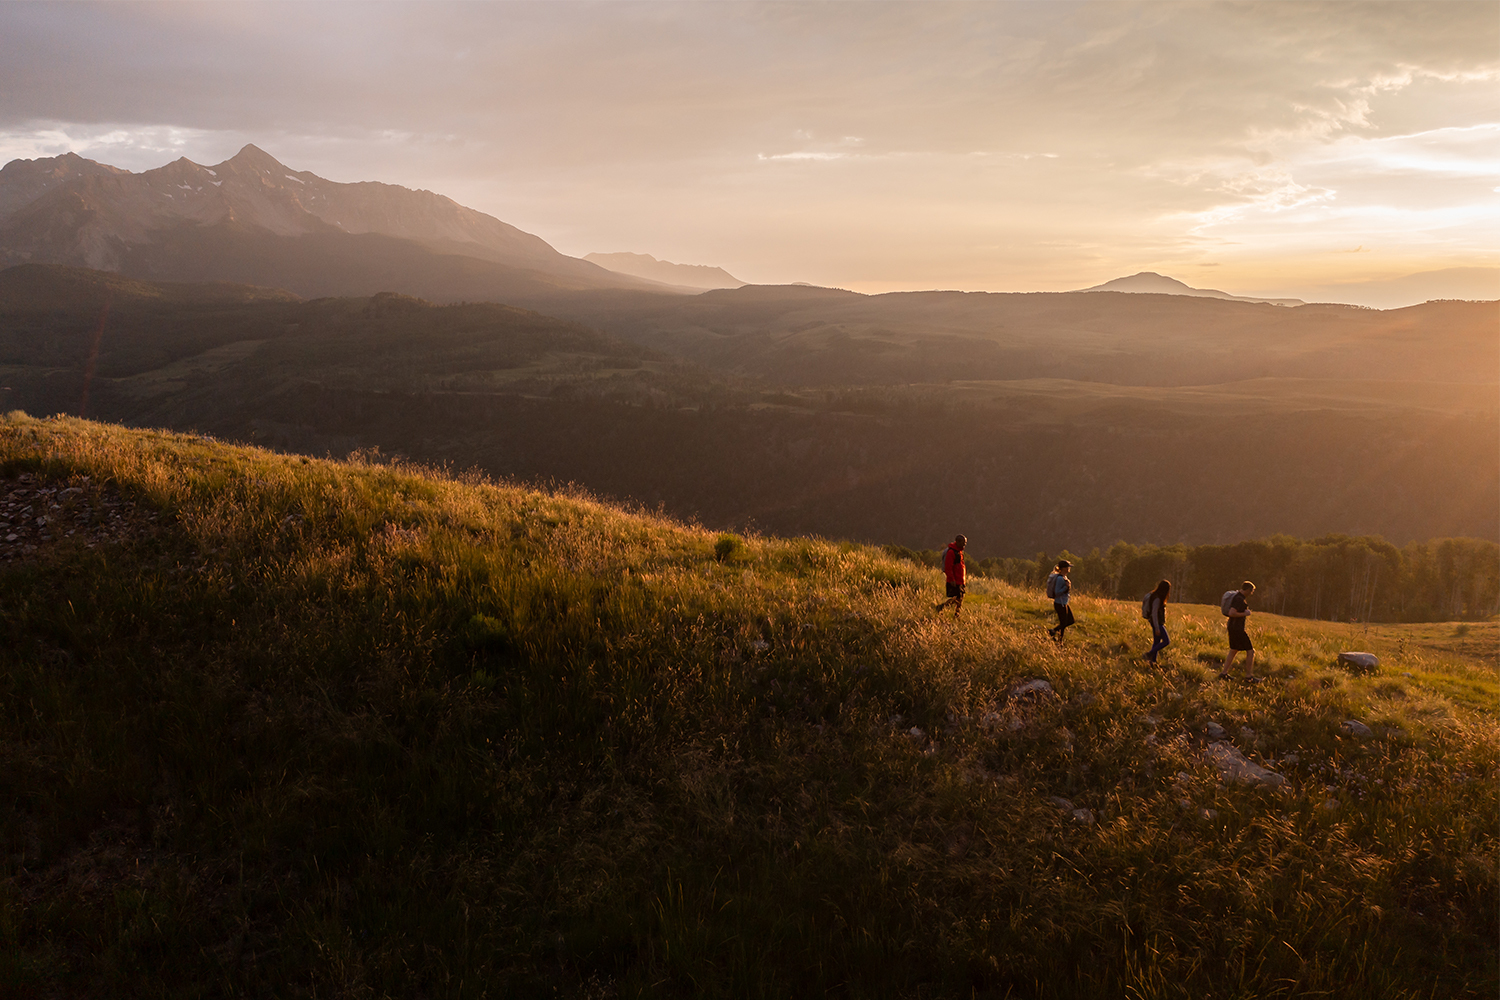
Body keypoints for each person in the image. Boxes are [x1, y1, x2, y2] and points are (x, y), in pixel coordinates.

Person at [1221, 581, 1257, 681]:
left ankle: (1224, 673)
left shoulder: (1236, 596)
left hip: (1232, 627)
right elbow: (1232, 612)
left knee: (1234, 650)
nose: (1251, 593)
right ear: (1248, 590)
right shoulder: (1239, 599)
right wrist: (1245, 613)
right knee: (1250, 651)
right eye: (1252, 591)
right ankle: (1249, 676)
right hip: (1237, 629)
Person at [936, 534, 967, 616]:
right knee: (956, 598)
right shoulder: (951, 552)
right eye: (963, 543)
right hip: (955, 580)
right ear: (958, 542)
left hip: (960, 579)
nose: (965, 545)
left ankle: (956, 614)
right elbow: (948, 567)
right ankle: (941, 607)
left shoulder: (959, 552)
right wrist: (952, 579)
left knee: (960, 598)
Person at [1045, 559, 1074, 641]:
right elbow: (1057, 592)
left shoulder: (1063, 577)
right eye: (1068, 567)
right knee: (1064, 623)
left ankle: (1053, 632)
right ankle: (1058, 640)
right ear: (1064, 568)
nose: (1069, 568)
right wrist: (1066, 587)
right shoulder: (1060, 579)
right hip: (1060, 603)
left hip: (1063, 603)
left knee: (1070, 621)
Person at [1144, 579, 1171, 664]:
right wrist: (1157, 628)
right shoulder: (1157, 599)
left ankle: (1153, 662)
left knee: (1156, 642)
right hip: (1157, 623)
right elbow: (1154, 613)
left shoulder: (1154, 595)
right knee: (1166, 641)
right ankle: (1149, 654)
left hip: (1156, 623)